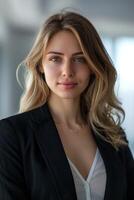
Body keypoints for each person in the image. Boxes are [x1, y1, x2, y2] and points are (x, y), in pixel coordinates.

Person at [0, 10, 134, 200]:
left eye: (80, 59)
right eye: (55, 58)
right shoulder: (12, 134)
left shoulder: (113, 135)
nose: (67, 71)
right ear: (40, 65)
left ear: (93, 67)